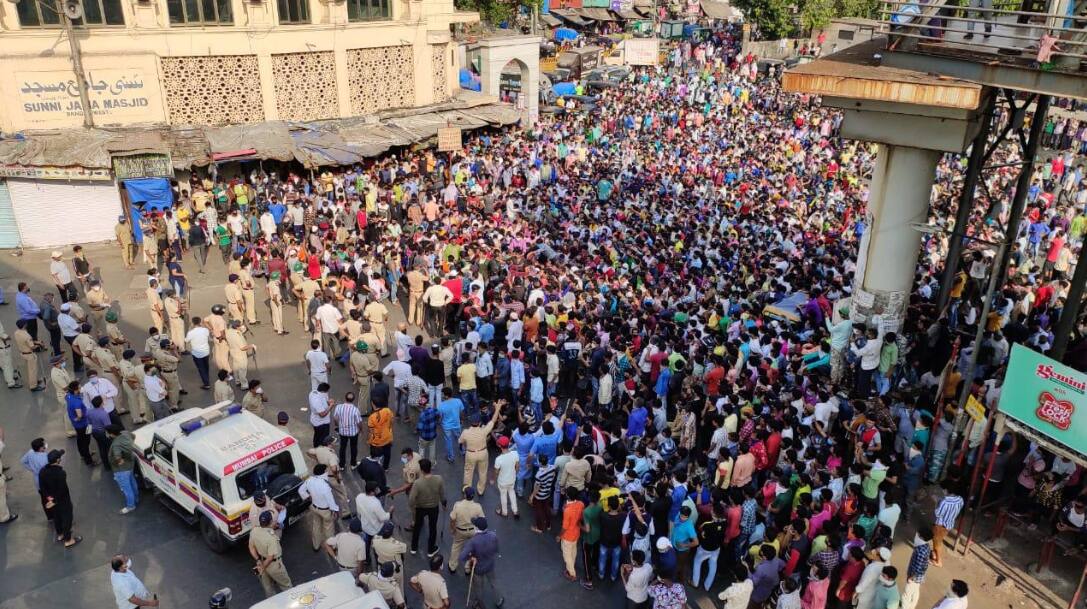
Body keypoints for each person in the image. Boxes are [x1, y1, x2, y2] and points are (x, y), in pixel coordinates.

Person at [40, 448, 81, 547]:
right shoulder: (60, 473)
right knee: (67, 518)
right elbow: (62, 490)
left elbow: (42, 487)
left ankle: (60, 534)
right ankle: (68, 540)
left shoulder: (43, 471)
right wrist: (55, 500)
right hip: (62, 500)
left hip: (50, 499)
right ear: (58, 460)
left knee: (57, 516)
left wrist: (49, 498)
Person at [458, 516, 502, 609]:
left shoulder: (473, 541)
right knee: (493, 583)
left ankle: (480, 604)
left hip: (478, 568)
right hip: (490, 565)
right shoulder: (493, 535)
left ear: (476, 528)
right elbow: (496, 549)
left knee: (479, 588)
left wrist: (471, 557)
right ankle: (499, 600)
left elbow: (462, 556)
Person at [250, 510, 293, 597]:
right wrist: (262, 567)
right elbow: (270, 557)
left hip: (261, 561)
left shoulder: (254, 531)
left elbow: (251, 547)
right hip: (274, 565)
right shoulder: (271, 538)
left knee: (268, 589)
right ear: (270, 522)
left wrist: (258, 561)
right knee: (286, 586)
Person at [460, 405, 501, 496]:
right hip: (483, 453)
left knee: (468, 472)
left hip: (470, 453)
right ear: (479, 423)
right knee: (483, 472)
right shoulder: (484, 430)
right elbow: (493, 420)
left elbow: (461, 441)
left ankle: (467, 490)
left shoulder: (465, 432)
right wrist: (498, 408)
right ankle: (480, 490)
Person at [298, 463, 340, 551]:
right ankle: (331, 547)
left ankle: (316, 545)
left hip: (314, 507)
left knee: (316, 526)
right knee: (329, 530)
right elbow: (330, 501)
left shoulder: (310, 480)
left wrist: (308, 497)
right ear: (324, 472)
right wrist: (336, 510)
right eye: (326, 470)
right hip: (325, 511)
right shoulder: (325, 486)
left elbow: (301, 490)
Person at [409, 458, 446, 556]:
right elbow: (442, 493)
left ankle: (413, 547)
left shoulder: (417, 483)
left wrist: (413, 507)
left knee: (417, 527)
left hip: (420, 507)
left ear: (421, 470)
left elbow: (411, 499)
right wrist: (443, 503)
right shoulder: (439, 479)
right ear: (430, 468)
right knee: (433, 527)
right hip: (434, 507)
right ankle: (430, 549)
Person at [448, 486, 485, 574]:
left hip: (460, 530)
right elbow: (482, 520)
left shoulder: (458, 505)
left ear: (465, 495)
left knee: (456, 546)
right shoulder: (478, 507)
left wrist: (452, 529)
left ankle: (452, 566)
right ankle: (468, 567)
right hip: (473, 530)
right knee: (472, 549)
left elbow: (452, 519)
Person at [107, 425, 139, 514]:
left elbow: (117, 456)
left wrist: (120, 461)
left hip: (121, 470)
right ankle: (136, 498)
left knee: (126, 488)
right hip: (130, 464)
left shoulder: (116, 444)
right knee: (133, 482)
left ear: (112, 434)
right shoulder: (125, 433)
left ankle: (130, 506)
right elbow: (134, 436)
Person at [492, 435, 519, 518]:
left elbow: (496, 472)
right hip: (512, 479)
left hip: (502, 481)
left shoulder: (498, 459)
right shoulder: (515, 453)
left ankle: (504, 512)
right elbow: (517, 467)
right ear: (508, 444)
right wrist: (515, 473)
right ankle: (515, 511)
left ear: (500, 446)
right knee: (512, 492)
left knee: (503, 495)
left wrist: (493, 479)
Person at [334, 392, 363, 467]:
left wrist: (337, 426)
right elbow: (359, 422)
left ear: (345, 398)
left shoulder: (339, 407)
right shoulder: (355, 410)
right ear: (353, 400)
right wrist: (360, 429)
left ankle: (342, 465)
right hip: (353, 433)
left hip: (342, 432)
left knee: (342, 448)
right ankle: (353, 464)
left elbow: (335, 418)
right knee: (353, 447)